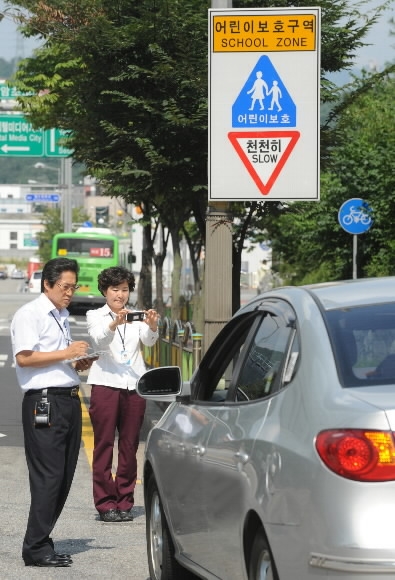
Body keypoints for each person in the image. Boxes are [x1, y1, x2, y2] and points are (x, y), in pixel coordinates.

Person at [10, 257, 97, 567]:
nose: (69, 293)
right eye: (64, 287)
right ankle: (34, 547)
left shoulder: (60, 314)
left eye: (74, 287)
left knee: (63, 476)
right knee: (49, 476)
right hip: (44, 402)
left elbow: (57, 359)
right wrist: (67, 353)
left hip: (68, 399)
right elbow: (25, 358)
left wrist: (77, 362)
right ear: (46, 284)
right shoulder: (29, 314)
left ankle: (42, 540)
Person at [86, 266, 159, 522]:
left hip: (134, 385)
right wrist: (113, 323)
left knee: (129, 445)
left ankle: (125, 501)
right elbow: (98, 340)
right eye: (115, 290)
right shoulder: (95, 315)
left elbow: (149, 341)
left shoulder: (136, 315)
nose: (120, 295)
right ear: (105, 291)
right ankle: (105, 504)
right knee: (104, 444)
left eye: (125, 290)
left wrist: (151, 326)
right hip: (105, 384)